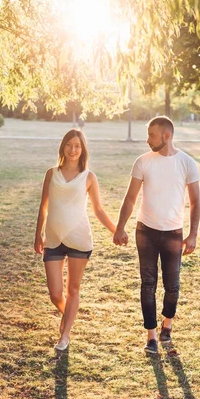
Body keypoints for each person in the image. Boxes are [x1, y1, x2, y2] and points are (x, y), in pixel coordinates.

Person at [113, 116, 200, 354]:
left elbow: (195, 202)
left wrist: (193, 234)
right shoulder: (143, 162)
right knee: (148, 284)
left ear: (167, 136)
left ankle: (167, 326)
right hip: (146, 231)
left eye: (152, 135)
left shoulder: (187, 163)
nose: (147, 139)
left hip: (173, 233)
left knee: (172, 286)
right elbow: (130, 198)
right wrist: (120, 226)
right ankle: (151, 336)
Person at [34, 129, 115, 351]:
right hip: (52, 238)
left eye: (77, 146)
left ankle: (65, 334)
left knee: (73, 290)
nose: (73, 150)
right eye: (69, 145)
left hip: (79, 238)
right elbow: (43, 206)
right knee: (55, 293)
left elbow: (98, 209)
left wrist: (115, 231)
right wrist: (37, 235)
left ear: (83, 150)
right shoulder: (51, 173)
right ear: (63, 147)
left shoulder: (89, 177)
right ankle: (68, 316)